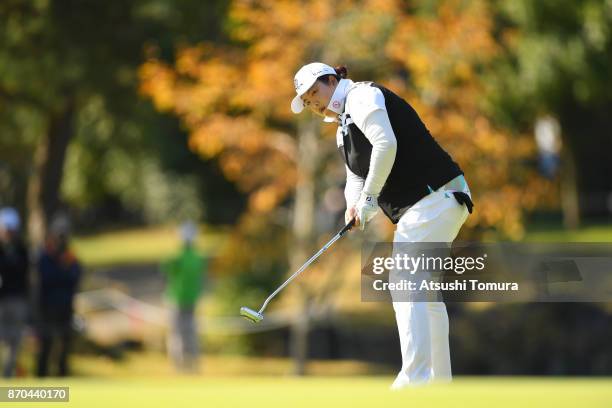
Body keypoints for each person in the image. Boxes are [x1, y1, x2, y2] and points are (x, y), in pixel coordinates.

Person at [290, 62, 473, 388]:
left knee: (404, 279)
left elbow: (386, 144)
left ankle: (414, 380)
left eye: (314, 93)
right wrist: (353, 205)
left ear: (332, 80)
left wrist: (371, 200)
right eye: (306, 101)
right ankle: (438, 385)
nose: (313, 103)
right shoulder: (342, 126)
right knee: (424, 292)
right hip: (429, 205)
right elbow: (355, 176)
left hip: (436, 197)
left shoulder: (363, 97)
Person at [36, 216, 82, 377]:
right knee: (46, 345)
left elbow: (74, 277)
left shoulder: (70, 256)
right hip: (48, 307)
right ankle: (40, 383)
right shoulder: (46, 255)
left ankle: (63, 380)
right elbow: (48, 278)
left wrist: (63, 271)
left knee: (65, 345)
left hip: (65, 306)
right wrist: (62, 270)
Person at [161, 221, 206, 373]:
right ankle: (192, 365)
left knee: (177, 333)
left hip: (177, 298)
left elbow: (166, 269)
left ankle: (179, 366)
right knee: (190, 332)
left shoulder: (178, 257)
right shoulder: (197, 257)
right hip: (192, 298)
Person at [0, 208, 30, 377]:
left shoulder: (21, 249)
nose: (8, 233)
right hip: (1, 300)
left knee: (15, 340)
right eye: (6, 229)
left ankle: (8, 376)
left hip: (18, 299)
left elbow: (24, 274)